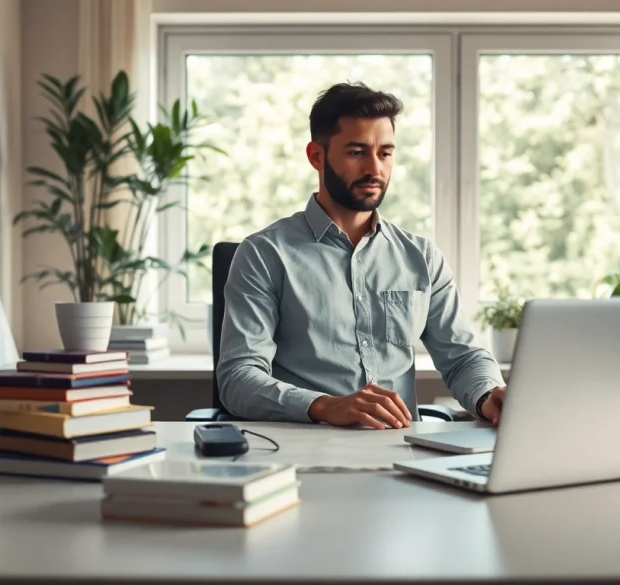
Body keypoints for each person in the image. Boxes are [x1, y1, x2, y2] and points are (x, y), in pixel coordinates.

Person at [216, 81, 506, 430]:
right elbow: (238, 379)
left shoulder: (422, 257)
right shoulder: (264, 255)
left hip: (402, 455)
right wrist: (323, 406)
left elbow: (462, 358)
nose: (375, 169)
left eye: (385, 153)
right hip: (304, 453)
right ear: (317, 156)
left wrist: (489, 395)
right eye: (356, 152)